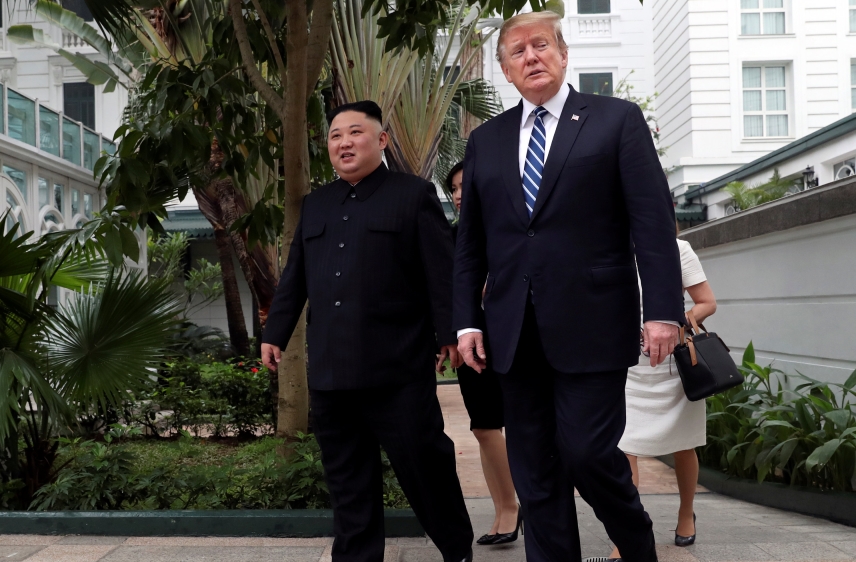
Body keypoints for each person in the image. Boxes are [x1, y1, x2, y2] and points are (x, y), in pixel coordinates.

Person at [452, 11, 684, 562]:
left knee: (585, 453)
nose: (530, 57)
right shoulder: (486, 139)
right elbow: (471, 244)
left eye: (540, 45)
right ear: (505, 71)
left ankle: (635, 540)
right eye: (517, 52)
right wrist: (466, 320)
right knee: (534, 469)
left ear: (562, 53)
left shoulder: (615, 120)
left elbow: (651, 223)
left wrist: (664, 312)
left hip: (594, 322)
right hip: (512, 330)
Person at [261, 100, 474, 562]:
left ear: (380, 140)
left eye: (355, 133)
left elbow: (441, 273)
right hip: (333, 373)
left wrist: (450, 333)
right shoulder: (315, 205)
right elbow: (296, 275)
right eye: (336, 136)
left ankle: (456, 550)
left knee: (425, 468)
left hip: (396, 367)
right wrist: (274, 331)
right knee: (348, 479)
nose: (344, 143)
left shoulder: (412, 195)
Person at [607, 236, 717, 558]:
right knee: (625, 447)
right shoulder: (609, 245)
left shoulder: (677, 249)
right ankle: (625, 536)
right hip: (625, 365)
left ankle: (686, 514)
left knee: (684, 445)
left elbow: (707, 302)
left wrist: (674, 325)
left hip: (674, 364)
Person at [448, 162, 522, 546]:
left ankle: (512, 507)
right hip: (469, 341)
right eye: (454, 188)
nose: (460, 193)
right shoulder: (454, 234)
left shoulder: (506, 225)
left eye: (465, 185)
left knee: (500, 425)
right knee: (483, 427)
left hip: (509, 336)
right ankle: (503, 508)